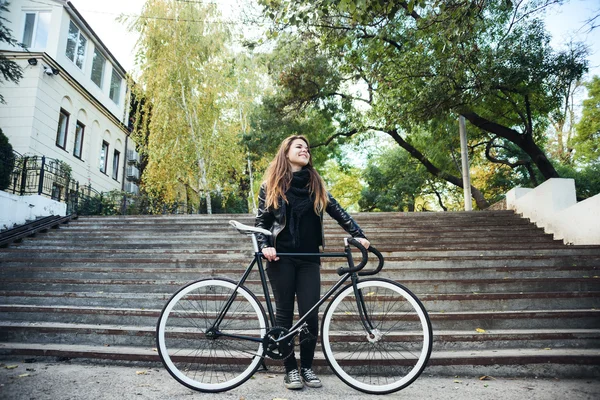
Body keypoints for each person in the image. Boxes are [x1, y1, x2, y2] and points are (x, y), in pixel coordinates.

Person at [255, 135, 370, 390]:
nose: (305, 150)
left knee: (310, 315)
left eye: (307, 148)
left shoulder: (315, 184)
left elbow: (337, 210)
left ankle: (306, 367)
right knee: (283, 315)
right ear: (286, 152)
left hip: (309, 259)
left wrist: (358, 235)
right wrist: (266, 246)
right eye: (299, 147)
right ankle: (290, 370)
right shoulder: (271, 185)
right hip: (281, 258)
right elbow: (261, 223)